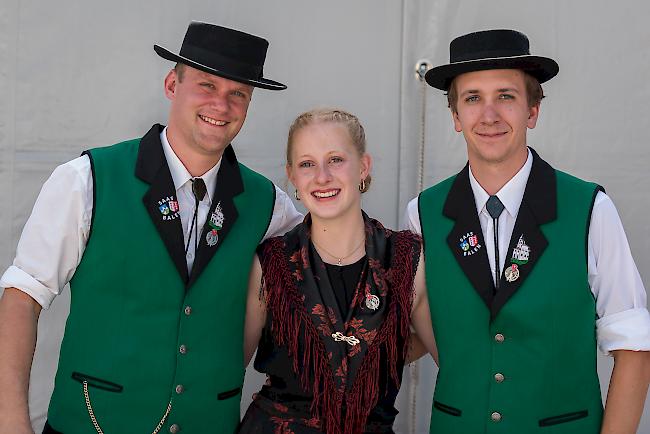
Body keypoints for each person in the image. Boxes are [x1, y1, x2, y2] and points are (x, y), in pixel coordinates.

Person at [0, 22, 302, 434]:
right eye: (206, 86)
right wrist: (11, 422)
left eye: (238, 94)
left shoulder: (269, 205)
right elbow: (22, 298)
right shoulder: (88, 179)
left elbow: (326, 272)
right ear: (171, 85)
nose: (222, 105)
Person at [405, 29, 650, 433]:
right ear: (455, 117)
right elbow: (412, 333)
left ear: (532, 111)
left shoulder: (589, 209)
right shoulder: (424, 215)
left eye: (506, 96)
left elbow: (634, 350)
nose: (489, 115)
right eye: (472, 99)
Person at [239, 108, 436, 434]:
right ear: (292, 175)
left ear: (363, 166)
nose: (322, 176)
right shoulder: (271, 262)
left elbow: (446, 350)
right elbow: (230, 368)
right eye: (306, 164)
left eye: (335, 159)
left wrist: (368, 354)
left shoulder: (406, 259)